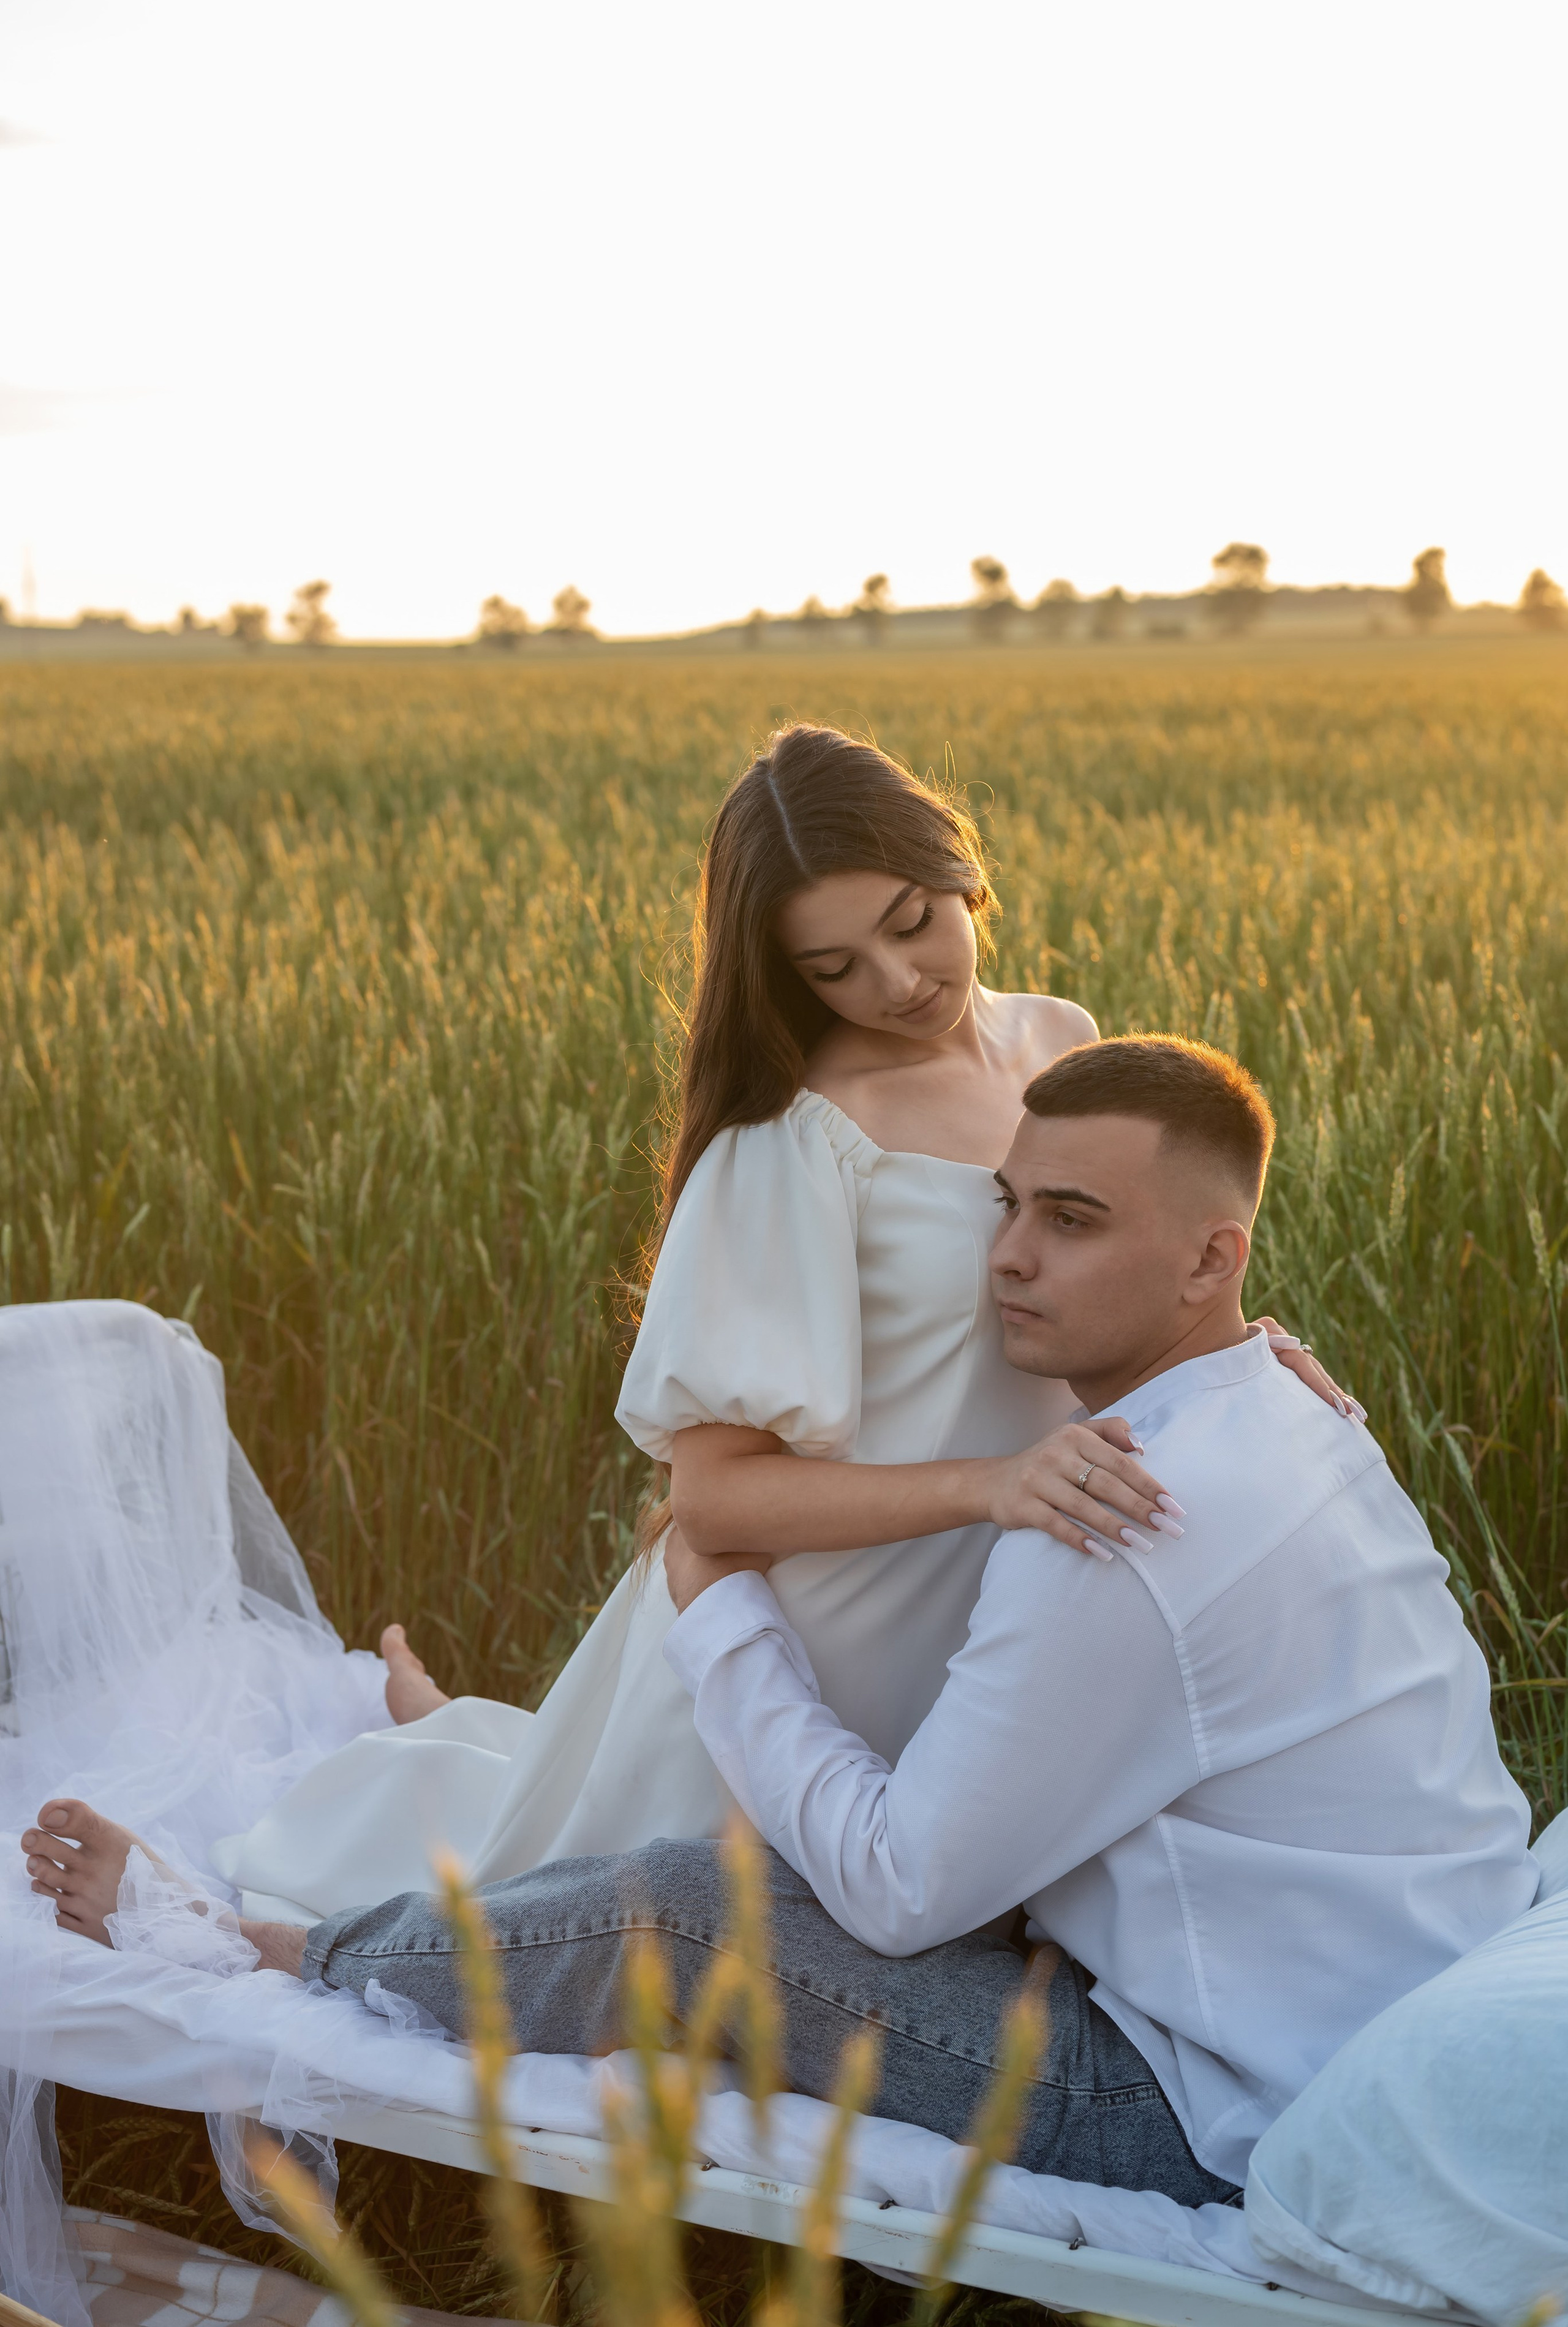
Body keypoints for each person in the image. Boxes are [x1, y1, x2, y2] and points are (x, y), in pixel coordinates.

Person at [26, 1036, 1532, 2209]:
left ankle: (278, 1948)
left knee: (685, 1912)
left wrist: (715, 1596)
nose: (1006, 1256)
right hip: (1374, 1980)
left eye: (1071, 1220)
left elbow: (891, 1890)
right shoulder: (1281, 1405)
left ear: (1215, 1260)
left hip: (1214, 2100)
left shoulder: (1116, 1524)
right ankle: (423, 1768)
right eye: (1005, 1203)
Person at [206, 725, 1354, 1925]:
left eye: (911, 920)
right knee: (550, 1909)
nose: (897, 981)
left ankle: (450, 1731)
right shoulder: (796, 1139)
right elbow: (709, 1503)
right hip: (824, 1627)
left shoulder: (1061, 1041)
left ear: (956, 862)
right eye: (833, 967)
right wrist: (996, 1483)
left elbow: (1105, 1277)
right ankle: (324, 1828)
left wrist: (1222, 1349)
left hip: (1001, 1585)